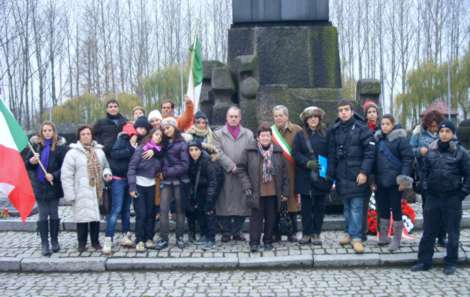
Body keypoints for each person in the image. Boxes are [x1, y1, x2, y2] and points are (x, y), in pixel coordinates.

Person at [411, 120, 470, 275]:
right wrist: (425, 189)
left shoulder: (461, 152)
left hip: (452, 197)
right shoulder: (431, 151)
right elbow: (424, 172)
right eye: (442, 132)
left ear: (453, 134)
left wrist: (462, 193)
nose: (444, 134)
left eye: (447, 132)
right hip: (433, 197)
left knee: (452, 231)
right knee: (429, 230)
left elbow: (468, 175)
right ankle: (424, 261)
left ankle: (451, 262)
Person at [328, 99, 375, 254]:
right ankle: (349, 233)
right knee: (347, 208)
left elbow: (370, 153)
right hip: (342, 175)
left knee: (356, 207)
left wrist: (364, 172)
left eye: (346, 109)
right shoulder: (334, 130)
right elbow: (332, 154)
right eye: (340, 110)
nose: (343, 112)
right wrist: (331, 175)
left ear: (352, 111)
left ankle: (357, 237)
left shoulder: (362, 128)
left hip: (357, 175)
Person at [238, 122, 289, 252]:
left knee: (271, 218)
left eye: (267, 135)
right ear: (258, 137)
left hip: (273, 191)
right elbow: (241, 169)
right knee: (256, 219)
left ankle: (268, 240)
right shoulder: (249, 151)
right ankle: (254, 242)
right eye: (263, 135)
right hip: (256, 191)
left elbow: (284, 173)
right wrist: (247, 185)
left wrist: (285, 192)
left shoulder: (277, 151)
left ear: (271, 137)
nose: (265, 138)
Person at [61, 126, 112, 252]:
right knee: (82, 219)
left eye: (88, 133)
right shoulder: (72, 153)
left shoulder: (99, 151)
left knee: (95, 218)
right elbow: (66, 175)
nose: (86, 136)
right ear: (79, 137)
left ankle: (95, 242)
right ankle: (82, 243)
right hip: (81, 191)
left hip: (97, 189)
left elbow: (106, 166)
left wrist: (106, 173)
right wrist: (70, 194)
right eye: (83, 134)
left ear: (92, 135)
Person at [25, 121, 68, 256]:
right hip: (40, 186)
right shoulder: (36, 147)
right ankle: (44, 242)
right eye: (45, 131)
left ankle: (54, 240)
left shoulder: (60, 148)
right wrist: (31, 162)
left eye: (50, 130)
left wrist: (54, 175)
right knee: (43, 214)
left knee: (54, 213)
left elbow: (65, 167)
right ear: (41, 133)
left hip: (53, 186)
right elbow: (27, 165)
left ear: (54, 132)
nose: (47, 133)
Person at [293, 106, 332, 246]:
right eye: (310, 117)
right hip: (305, 177)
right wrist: (307, 163)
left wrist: (329, 174)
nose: (313, 119)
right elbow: (295, 153)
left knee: (320, 207)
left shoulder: (327, 134)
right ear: (306, 120)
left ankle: (316, 233)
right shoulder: (300, 135)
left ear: (319, 119)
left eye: (316, 116)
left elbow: (331, 154)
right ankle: (306, 233)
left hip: (322, 176)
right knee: (306, 209)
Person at [373, 115, 414, 251]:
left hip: (395, 182)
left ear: (393, 125)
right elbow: (373, 161)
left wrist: (403, 179)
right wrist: (373, 180)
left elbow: (407, 160)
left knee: (396, 210)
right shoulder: (378, 140)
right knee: (382, 208)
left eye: (387, 124)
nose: (384, 126)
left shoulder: (401, 140)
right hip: (381, 181)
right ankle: (383, 236)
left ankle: (396, 239)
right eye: (382, 124)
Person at [214, 106, 254, 242]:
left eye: (236, 116)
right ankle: (226, 231)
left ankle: (237, 231)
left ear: (240, 118)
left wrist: (241, 167)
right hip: (225, 174)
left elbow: (251, 151)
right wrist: (231, 166)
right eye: (231, 116)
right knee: (224, 203)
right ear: (226, 117)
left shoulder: (248, 134)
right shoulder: (218, 134)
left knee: (242, 204)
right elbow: (217, 152)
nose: (233, 119)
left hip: (242, 175)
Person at [410, 110, 446, 247]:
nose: (433, 128)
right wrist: (420, 151)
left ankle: (442, 236)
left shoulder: (445, 131)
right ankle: (429, 236)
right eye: (431, 126)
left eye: (435, 126)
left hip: (443, 176)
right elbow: (410, 149)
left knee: (442, 208)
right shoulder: (418, 132)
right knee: (428, 209)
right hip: (425, 176)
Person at [102, 123, 137, 254]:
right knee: (116, 209)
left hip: (129, 179)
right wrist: (131, 149)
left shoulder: (134, 143)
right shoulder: (122, 140)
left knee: (126, 210)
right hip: (118, 180)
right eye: (133, 134)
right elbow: (116, 154)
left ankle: (125, 235)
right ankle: (108, 239)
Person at [127, 128, 164, 252]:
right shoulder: (141, 149)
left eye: (160, 136)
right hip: (139, 184)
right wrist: (132, 187)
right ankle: (140, 240)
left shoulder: (159, 152)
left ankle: (149, 238)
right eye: (156, 134)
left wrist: (155, 152)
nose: (158, 137)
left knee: (151, 213)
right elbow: (132, 168)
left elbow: (161, 164)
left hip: (152, 185)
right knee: (141, 214)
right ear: (151, 135)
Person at [155, 117, 190, 250]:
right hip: (166, 181)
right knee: (163, 210)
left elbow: (185, 165)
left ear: (174, 127)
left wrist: (167, 171)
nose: (166, 130)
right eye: (164, 128)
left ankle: (179, 237)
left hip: (179, 181)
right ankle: (164, 238)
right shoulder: (162, 143)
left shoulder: (182, 143)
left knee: (180, 211)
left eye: (168, 127)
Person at [271, 105, 302, 242]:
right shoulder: (270, 131)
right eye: (276, 116)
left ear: (287, 116)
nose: (278, 118)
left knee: (292, 202)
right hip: (275, 173)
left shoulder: (297, 130)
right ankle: (276, 232)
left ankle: (293, 231)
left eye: (281, 115)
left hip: (293, 171)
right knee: (276, 202)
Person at [187, 140, 224, 250]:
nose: (193, 152)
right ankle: (204, 234)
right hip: (199, 189)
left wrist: (210, 198)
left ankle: (211, 238)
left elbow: (213, 182)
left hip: (210, 188)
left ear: (201, 150)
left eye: (196, 150)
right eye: (191, 150)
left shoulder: (207, 161)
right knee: (200, 212)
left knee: (209, 211)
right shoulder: (191, 161)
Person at [363, 100, 380, 241]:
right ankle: (365, 228)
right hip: (367, 169)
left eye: (374, 112)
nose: (372, 114)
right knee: (365, 200)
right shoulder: (362, 129)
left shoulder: (383, 128)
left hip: (380, 169)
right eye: (369, 112)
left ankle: (381, 228)